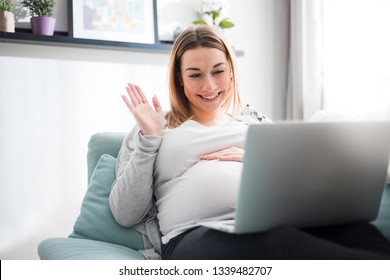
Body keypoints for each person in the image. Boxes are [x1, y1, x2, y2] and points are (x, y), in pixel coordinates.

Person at [109, 25, 390, 260]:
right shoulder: (155, 126)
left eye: (218, 71)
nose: (209, 85)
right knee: (279, 242)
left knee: (359, 231)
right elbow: (125, 212)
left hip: (274, 220)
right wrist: (150, 139)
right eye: (195, 74)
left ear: (231, 71)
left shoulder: (253, 121)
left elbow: (298, 184)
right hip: (193, 235)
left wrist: (257, 160)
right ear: (180, 80)